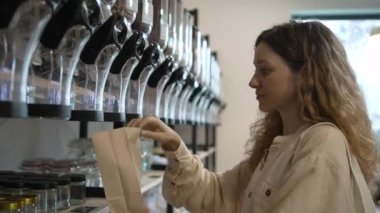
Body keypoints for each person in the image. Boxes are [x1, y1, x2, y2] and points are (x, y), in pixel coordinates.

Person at [127, 21, 377, 213]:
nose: (252, 81)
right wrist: (175, 147)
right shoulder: (282, 142)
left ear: (305, 73)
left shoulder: (323, 142)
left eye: (264, 70)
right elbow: (218, 194)